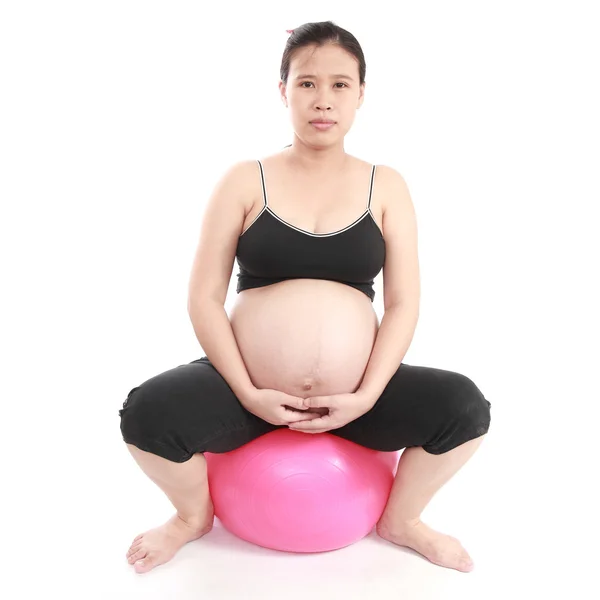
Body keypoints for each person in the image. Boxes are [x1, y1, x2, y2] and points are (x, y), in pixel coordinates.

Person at [119, 20, 492, 575]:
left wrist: (366, 395)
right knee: (146, 414)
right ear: (283, 91)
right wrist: (247, 392)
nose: (323, 100)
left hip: (353, 398)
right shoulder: (246, 180)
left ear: (361, 94)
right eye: (307, 83)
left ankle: (403, 519)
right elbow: (203, 298)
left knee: (464, 408)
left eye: (341, 85)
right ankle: (191, 517)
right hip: (247, 390)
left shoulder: (385, 185)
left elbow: (404, 305)